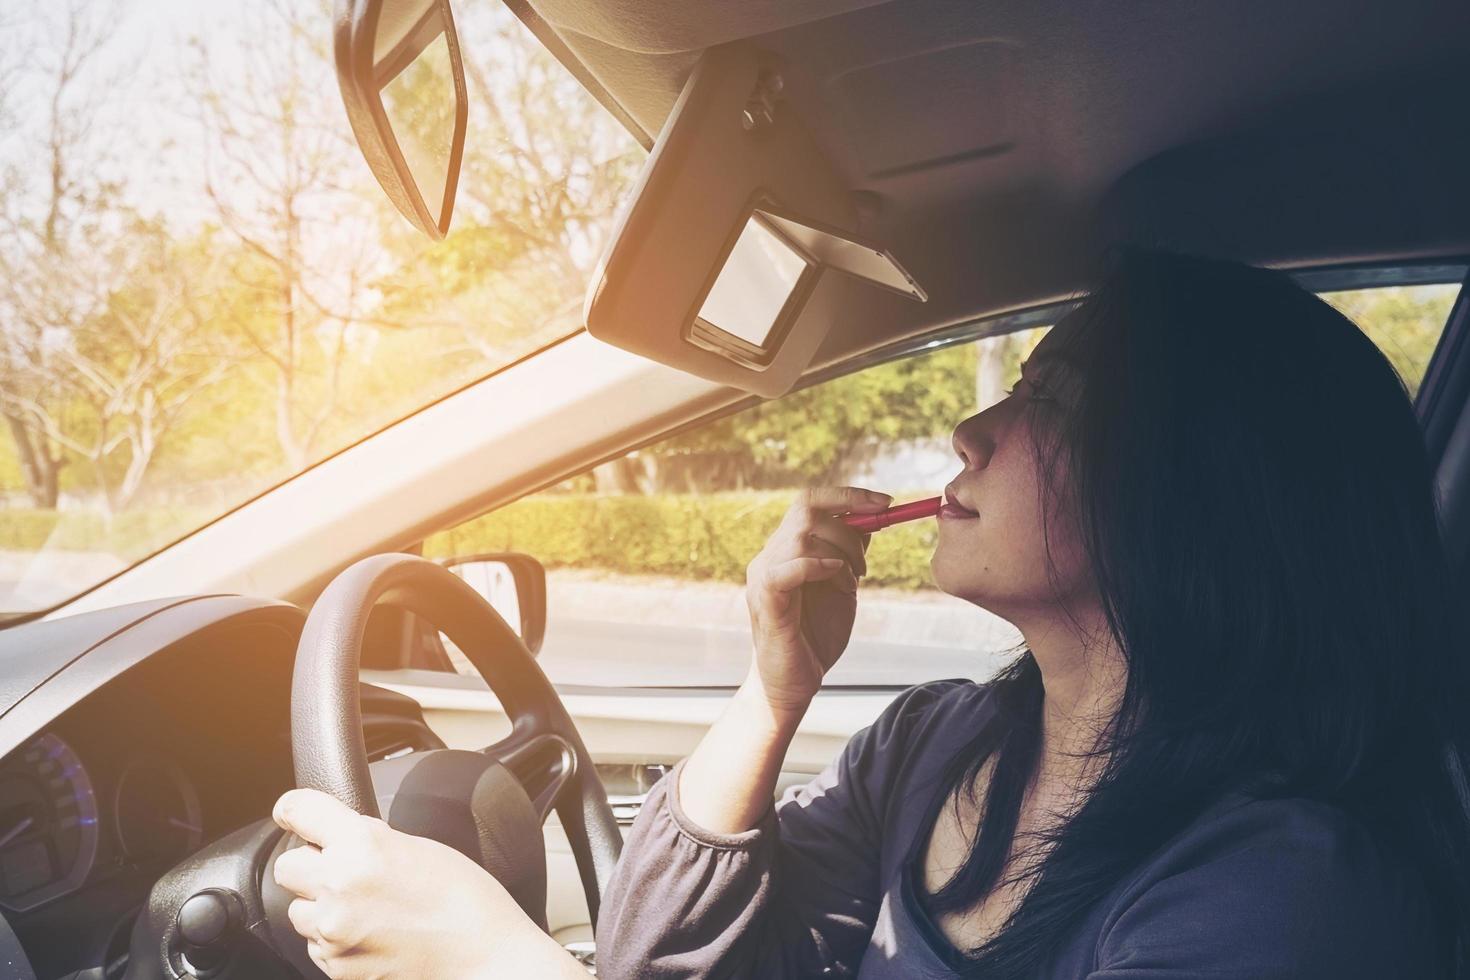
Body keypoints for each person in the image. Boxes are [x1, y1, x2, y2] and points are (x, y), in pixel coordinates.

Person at [270, 249, 1470, 979]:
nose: (974, 430)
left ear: (1199, 487)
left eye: (1050, 396)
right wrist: (770, 691)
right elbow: (659, 963)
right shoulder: (942, 743)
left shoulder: (1289, 896)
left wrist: (490, 955)